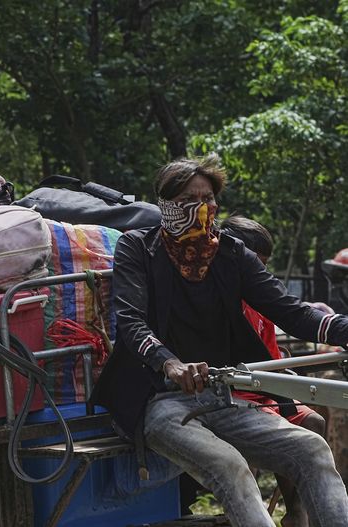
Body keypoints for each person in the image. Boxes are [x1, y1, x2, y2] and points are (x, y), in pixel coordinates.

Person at [91, 154, 348, 527]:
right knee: (231, 466)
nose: (202, 209)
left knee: (311, 448)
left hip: (225, 396)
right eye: (189, 201)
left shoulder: (231, 253)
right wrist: (171, 363)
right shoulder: (138, 249)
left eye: (208, 199)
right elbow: (129, 322)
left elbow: (292, 312)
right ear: (166, 206)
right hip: (158, 400)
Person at [219, 215, 325, 527]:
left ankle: (296, 513)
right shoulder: (217, 299)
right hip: (233, 392)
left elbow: (272, 356)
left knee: (314, 422)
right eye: (257, 264)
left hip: (264, 388)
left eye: (263, 265)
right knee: (277, 435)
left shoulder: (262, 300)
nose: (261, 272)